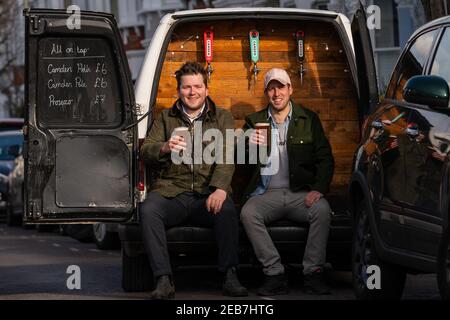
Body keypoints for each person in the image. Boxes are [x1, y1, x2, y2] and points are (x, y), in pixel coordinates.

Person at [140, 61, 247, 299]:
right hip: (172, 193)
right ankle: (163, 279)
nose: (192, 92)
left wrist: (220, 189)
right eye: (187, 87)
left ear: (206, 89)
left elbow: (227, 155)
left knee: (227, 210)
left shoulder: (222, 117)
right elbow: (146, 151)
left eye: (197, 86)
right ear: (179, 90)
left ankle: (230, 276)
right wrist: (164, 147)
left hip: (206, 194)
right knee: (148, 210)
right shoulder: (166, 118)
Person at [240, 68, 334, 295]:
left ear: (290, 89)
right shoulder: (254, 122)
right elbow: (240, 163)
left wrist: (318, 189)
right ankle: (274, 273)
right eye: (271, 88)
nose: (276, 93)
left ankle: (313, 273)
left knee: (322, 210)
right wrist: (246, 144)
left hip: (299, 194)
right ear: (266, 93)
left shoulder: (308, 119)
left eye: (280, 87)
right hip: (266, 194)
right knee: (247, 213)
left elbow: (325, 158)